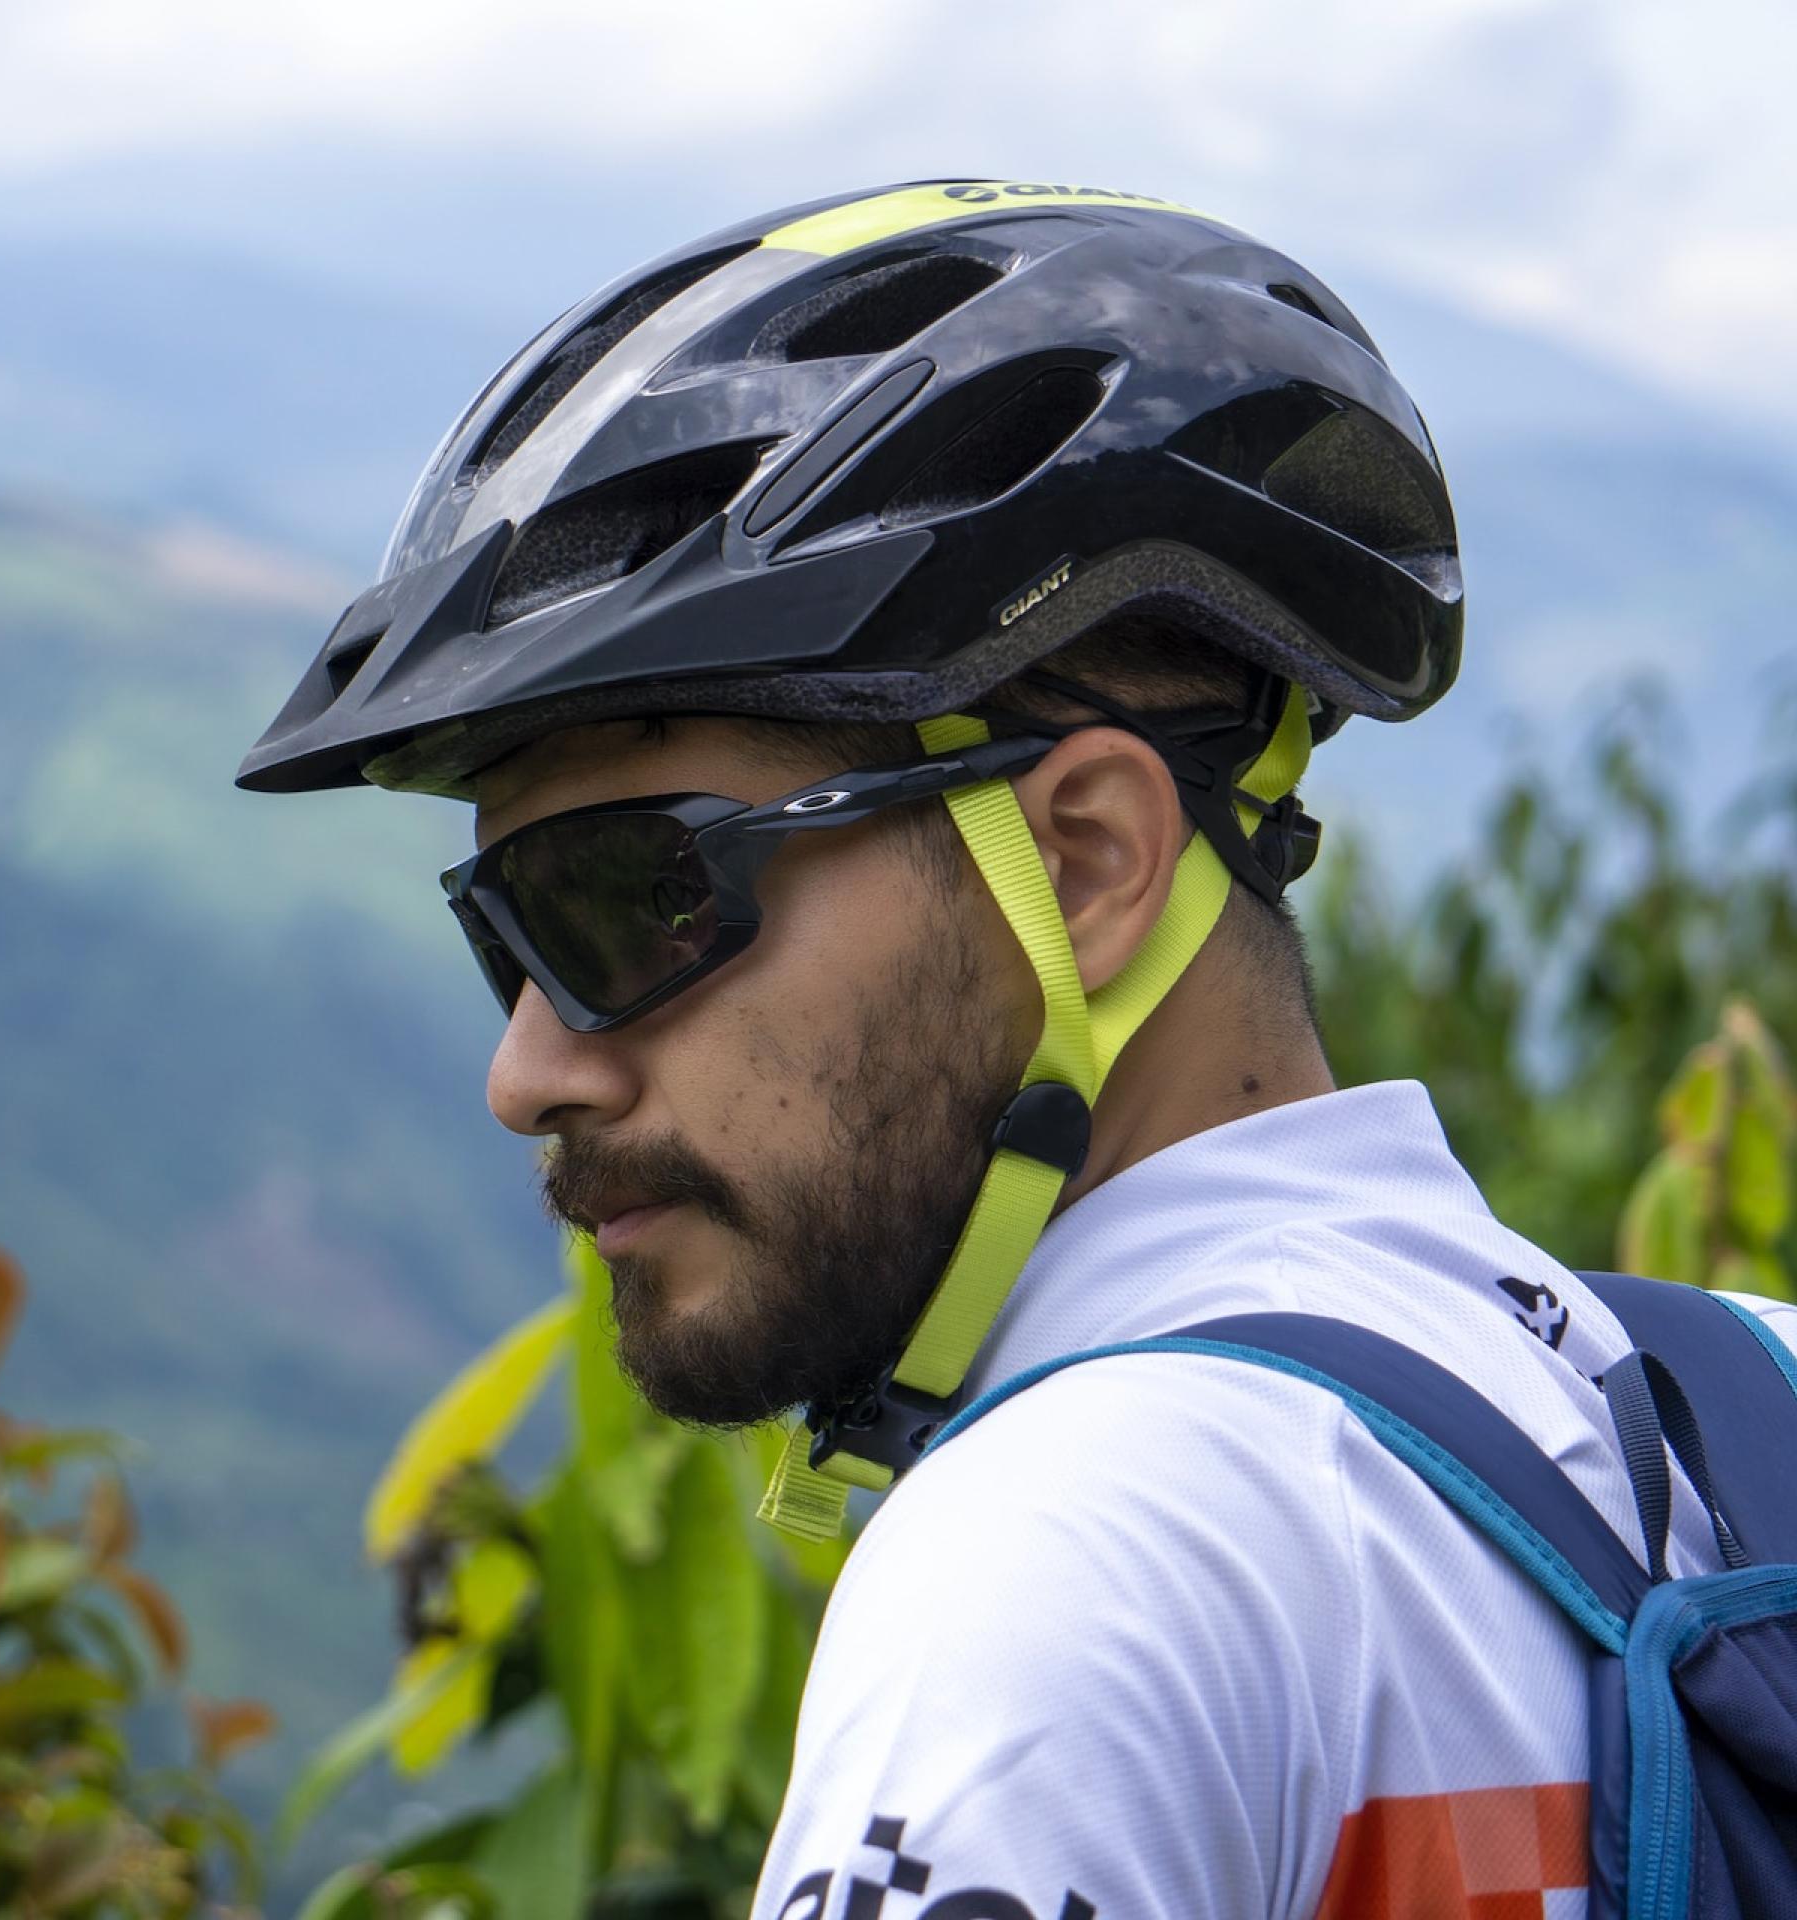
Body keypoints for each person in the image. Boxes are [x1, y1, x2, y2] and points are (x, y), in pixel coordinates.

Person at [239, 182, 1797, 1918]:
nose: (527, 1070)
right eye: (502, 935)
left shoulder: (1066, 1561)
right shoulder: (1748, 1406)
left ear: (1086, 864)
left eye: (627, 895)